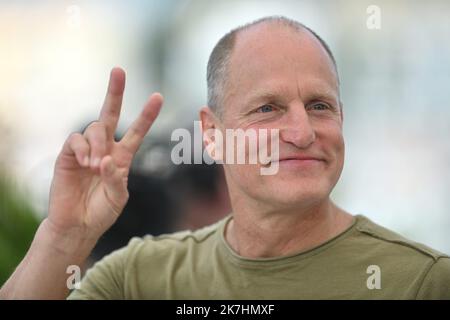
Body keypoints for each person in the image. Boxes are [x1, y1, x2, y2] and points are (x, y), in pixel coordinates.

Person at [1, 16, 449, 300]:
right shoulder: (140, 277)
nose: (302, 132)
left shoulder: (423, 282)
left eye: (319, 106)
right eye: (267, 109)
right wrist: (66, 236)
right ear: (212, 136)